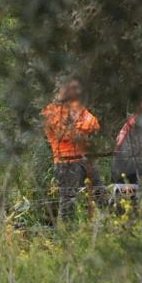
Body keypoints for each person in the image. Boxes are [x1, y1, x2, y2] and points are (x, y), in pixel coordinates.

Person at [42, 79, 105, 220]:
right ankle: (65, 236)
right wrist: (81, 128)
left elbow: (94, 124)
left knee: (101, 193)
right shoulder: (51, 111)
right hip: (65, 161)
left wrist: (78, 127)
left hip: (86, 159)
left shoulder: (78, 108)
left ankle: (108, 227)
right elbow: (63, 134)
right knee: (68, 202)